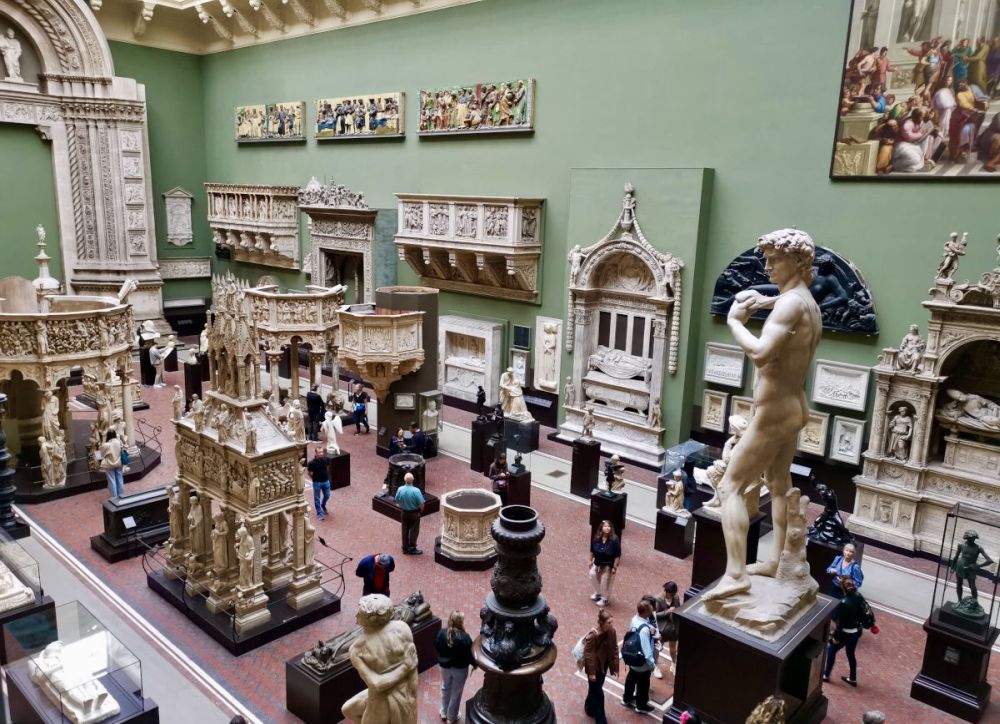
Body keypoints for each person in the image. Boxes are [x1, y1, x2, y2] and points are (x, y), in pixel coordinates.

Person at [706, 229, 822, 601]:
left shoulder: (790, 305)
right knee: (777, 484)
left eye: (775, 260)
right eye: (767, 259)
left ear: (799, 262)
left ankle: (736, 573)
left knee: (731, 485)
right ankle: (776, 560)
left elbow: (761, 353)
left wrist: (735, 322)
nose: (768, 266)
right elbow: (789, 304)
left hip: (774, 411)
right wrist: (764, 300)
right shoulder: (805, 301)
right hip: (792, 406)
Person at [823, 577, 868, 687]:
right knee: (851, 653)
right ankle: (852, 678)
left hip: (845, 634)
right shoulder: (859, 596)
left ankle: (826, 674)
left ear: (842, 587)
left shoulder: (843, 603)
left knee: (831, 650)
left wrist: (836, 637)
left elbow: (840, 624)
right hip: (856, 632)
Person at [435, 611, 474, 724]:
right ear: (461, 622)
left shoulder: (441, 633)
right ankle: (451, 717)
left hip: (444, 667)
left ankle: (443, 711)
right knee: (456, 692)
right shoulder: (465, 637)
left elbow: (436, 645)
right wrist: (475, 665)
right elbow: (470, 654)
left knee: (445, 687)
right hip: (460, 669)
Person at [582, 609, 619, 724]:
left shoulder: (612, 632)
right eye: (609, 623)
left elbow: (614, 649)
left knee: (594, 690)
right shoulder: (593, 635)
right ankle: (601, 720)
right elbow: (589, 654)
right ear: (601, 623)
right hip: (594, 669)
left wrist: (615, 667)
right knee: (599, 694)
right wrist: (592, 672)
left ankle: (589, 707)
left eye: (612, 622)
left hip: (604, 667)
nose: (611, 625)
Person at [622, 599, 656, 714]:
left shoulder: (634, 619)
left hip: (632, 655)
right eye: (650, 609)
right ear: (646, 612)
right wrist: (651, 665)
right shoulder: (645, 630)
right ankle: (641, 705)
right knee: (643, 683)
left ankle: (626, 698)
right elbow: (647, 650)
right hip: (642, 662)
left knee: (631, 678)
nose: (652, 610)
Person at [588, 520, 621, 608]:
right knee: (592, 575)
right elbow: (592, 550)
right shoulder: (597, 538)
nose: (607, 528)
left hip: (608, 565)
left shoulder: (614, 540)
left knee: (604, 582)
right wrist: (590, 560)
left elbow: (617, 555)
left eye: (609, 526)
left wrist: (614, 567)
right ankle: (598, 593)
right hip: (597, 563)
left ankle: (604, 598)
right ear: (601, 528)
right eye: (605, 526)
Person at [653, 581, 681, 677]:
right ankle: (655, 666)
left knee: (673, 647)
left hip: (673, 627)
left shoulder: (676, 597)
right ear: (665, 591)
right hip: (662, 628)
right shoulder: (657, 599)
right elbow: (654, 615)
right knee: (658, 648)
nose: (672, 596)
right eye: (671, 594)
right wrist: (667, 612)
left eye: (674, 594)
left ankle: (674, 664)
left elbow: (678, 609)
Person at [395, 473, 425, 555]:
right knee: (414, 531)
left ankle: (405, 548)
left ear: (405, 480)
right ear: (413, 480)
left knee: (404, 530)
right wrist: (420, 511)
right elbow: (421, 505)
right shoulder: (416, 491)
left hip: (404, 512)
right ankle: (412, 548)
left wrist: (402, 505)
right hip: (414, 513)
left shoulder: (400, 489)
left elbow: (397, 500)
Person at [306, 446, 331, 521]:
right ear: (316, 453)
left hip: (326, 481)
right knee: (317, 498)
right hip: (317, 482)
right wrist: (314, 479)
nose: (321, 454)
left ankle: (323, 505)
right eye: (319, 452)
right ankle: (319, 513)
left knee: (327, 495)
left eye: (322, 452)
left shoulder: (326, 459)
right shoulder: (311, 463)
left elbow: (327, 467)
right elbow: (309, 473)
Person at [99, 430, 125, 498]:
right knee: (120, 479)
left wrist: (104, 440)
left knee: (112, 481)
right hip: (119, 463)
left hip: (109, 464)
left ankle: (114, 498)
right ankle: (121, 495)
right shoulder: (119, 442)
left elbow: (100, 454)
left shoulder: (106, 445)